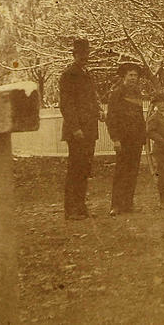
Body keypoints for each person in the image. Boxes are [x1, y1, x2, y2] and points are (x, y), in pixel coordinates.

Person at [59, 38, 101, 220]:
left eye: (86, 54)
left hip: (89, 129)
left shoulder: (86, 74)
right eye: (81, 54)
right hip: (77, 131)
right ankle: (71, 210)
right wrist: (75, 128)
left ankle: (81, 206)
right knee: (75, 169)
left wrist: (98, 111)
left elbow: (91, 99)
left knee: (85, 169)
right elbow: (66, 105)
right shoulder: (69, 75)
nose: (84, 57)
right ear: (74, 55)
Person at [106, 62, 147, 215]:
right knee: (121, 172)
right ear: (124, 76)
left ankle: (128, 204)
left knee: (132, 171)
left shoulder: (137, 93)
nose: (133, 78)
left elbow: (139, 117)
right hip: (123, 139)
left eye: (135, 75)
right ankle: (116, 206)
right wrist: (115, 138)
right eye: (130, 75)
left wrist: (142, 137)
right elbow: (111, 118)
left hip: (136, 139)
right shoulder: (116, 93)